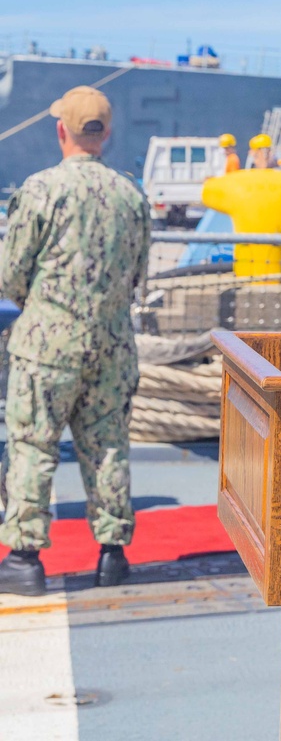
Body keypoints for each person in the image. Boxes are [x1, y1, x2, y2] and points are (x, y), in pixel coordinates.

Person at [0, 86, 151, 596]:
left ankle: (24, 558)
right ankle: (113, 555)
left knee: (33, 446)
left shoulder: (41, 190)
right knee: (108, 447)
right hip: (111, 346)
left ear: (60, 129)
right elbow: (137, 276)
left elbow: (10, 275)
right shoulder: (131, 196)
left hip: (47, 345)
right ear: (105, 133)